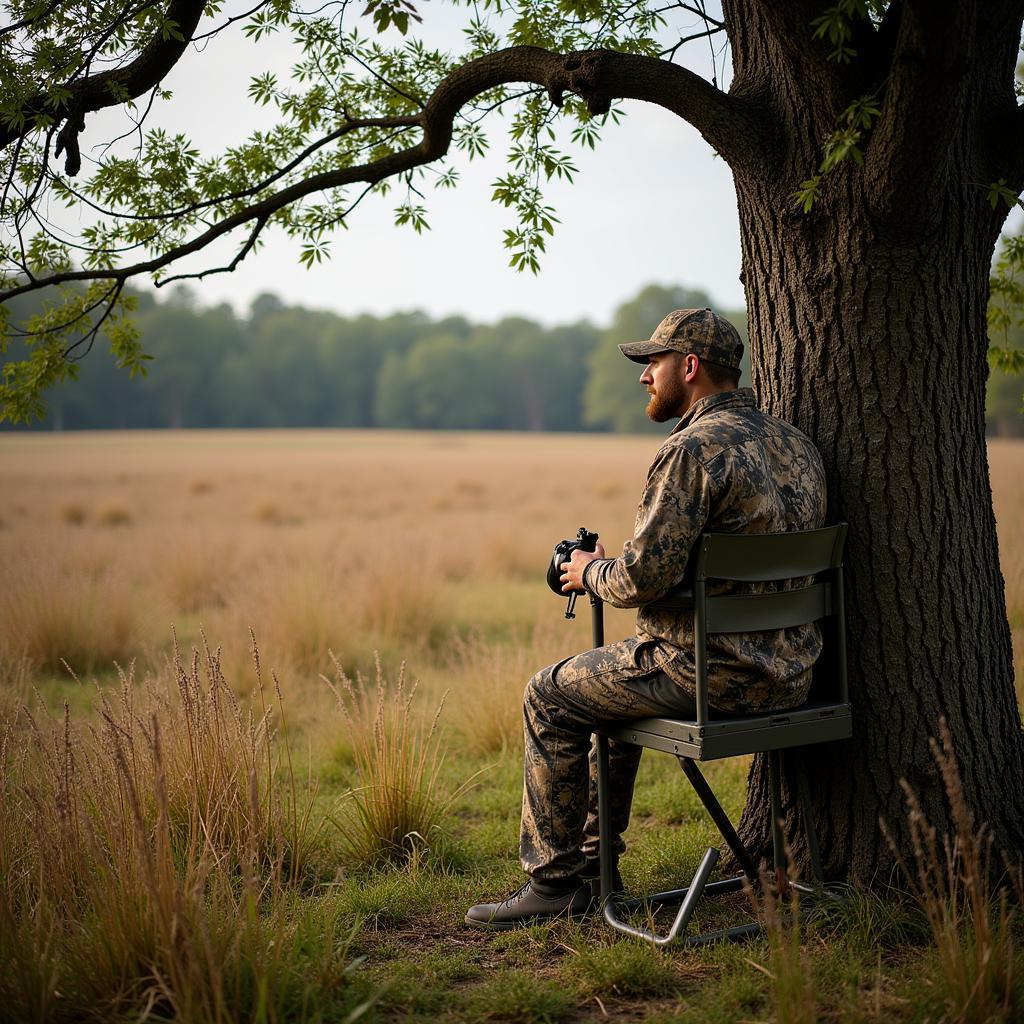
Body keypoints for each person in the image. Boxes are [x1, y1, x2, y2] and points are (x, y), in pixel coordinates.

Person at [465, 308, 827, 930]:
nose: (644, 378)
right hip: (794, 675)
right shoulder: (796, 443)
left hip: (708, 678)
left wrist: (587, 572)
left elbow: (639, 581)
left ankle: (556, 884)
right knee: (606, 691)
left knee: (550, 694)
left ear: (689, 368)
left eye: (652, 364)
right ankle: (593, 861)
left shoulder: (688, 452)